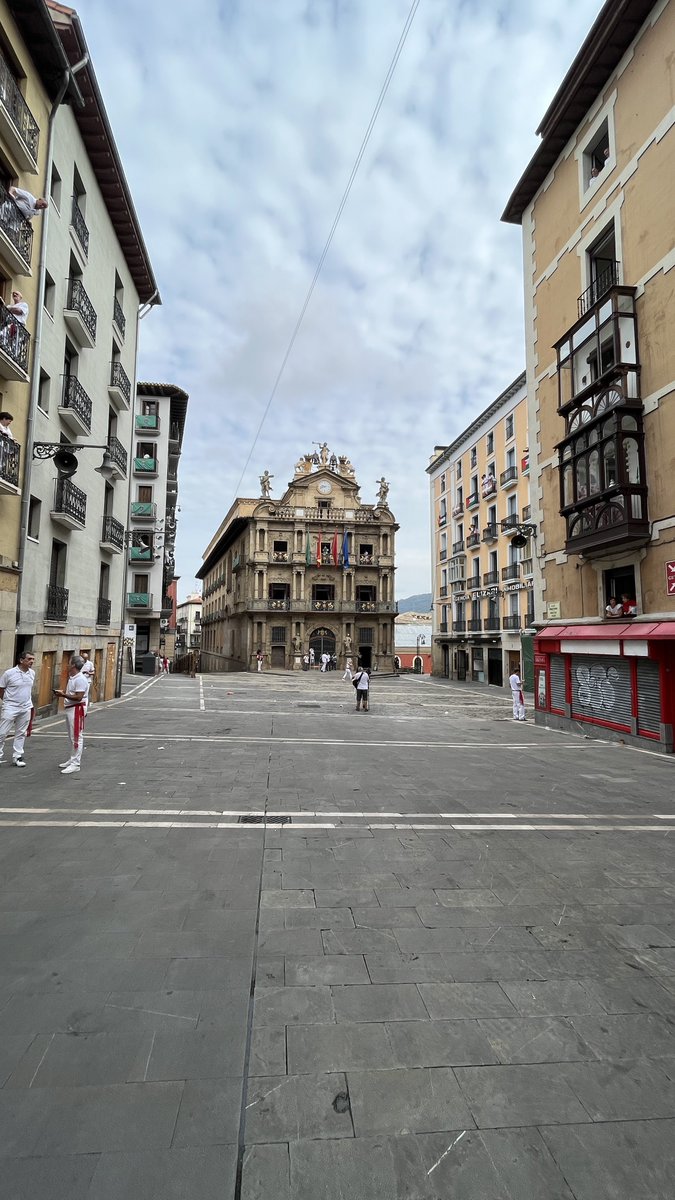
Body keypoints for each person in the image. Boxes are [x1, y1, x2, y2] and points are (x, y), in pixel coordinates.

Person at [53, 655, 90, 773]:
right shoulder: (73, 677)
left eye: (69, 663)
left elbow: (78, 697)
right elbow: (74, 694)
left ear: (73, 665)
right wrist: (64, 694)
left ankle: (76, 764)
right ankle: (72, 759)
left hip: (76, 709)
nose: (67, 664)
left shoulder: (80, 679)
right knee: (72, 736)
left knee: (77, 736)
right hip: (71, 708)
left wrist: (63, 695)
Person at [0, 650, 35, 767]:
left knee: (21, 733)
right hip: (10, 707)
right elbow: (1, 689)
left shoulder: (32, 673)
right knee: (2, 732)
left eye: (33, 659)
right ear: (21, 660)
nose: (32, 661)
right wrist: (8, 701)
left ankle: (17, 756)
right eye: (29, 659)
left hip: (26, 707)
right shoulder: (9, 673)